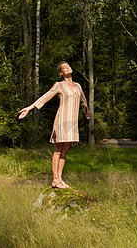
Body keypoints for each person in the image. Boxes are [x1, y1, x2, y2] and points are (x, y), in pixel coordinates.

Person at [18, 61, 90, 189]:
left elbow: (83, 100)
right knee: (58, 150)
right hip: (62, 120)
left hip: (72, 123)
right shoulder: (59, 85)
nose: (67, 68)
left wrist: (87, 113)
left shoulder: (78, 86)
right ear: (61, 73)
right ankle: (55, 179)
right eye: (64, 68)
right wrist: (29, 108)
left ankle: (59, 179)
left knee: (65, 150)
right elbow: (45, 97)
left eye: (68, 66)